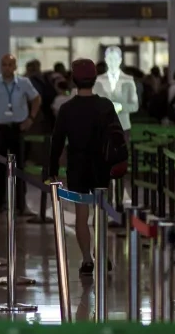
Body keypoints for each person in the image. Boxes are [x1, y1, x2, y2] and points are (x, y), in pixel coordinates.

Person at [48, 59, 122, 276]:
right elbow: (117, 136)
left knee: (82, 214)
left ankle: (87, 259)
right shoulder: (105, 106)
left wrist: (51, 169)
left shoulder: (67, 109)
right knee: (101, 212)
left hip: (77, 165)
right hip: (101, 165)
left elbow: (57, 141)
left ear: (73, 79)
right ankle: (102, 254)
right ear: (95, 78)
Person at [0, 53, 41, 214]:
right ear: (1, 66)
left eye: (10, 64)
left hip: (18, 128)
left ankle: (20, 205)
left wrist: (31, 118)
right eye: (4, 64)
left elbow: (36, 99)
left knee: (20, 168)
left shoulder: (24, 83)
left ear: (15, 66)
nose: (7, 67)